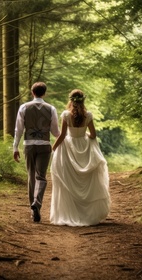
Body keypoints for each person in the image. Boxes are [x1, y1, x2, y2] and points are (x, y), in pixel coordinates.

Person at [50, 89, 111, 226]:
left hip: (69, 147)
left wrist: (53, 147)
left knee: (70, 180)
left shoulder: (66, 115)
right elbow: (94, 135)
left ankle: (72, 212)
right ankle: (87, 214)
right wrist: (85, 135)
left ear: (70, 101)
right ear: (83, 100)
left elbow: (62, 134)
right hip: (84, 145)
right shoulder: (88, 115)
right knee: (86, 180)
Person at [13, 82, 60, 223]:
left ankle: (33, 210)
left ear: (32, 92)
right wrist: (66, 138)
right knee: (41, 177)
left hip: (29, 145)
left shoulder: (24, 107)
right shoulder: (51, 109)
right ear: (44, 93)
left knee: (31, 176)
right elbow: (55, 131)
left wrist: (15, 147)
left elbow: (19, 130)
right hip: (45, 146)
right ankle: (37, 204)